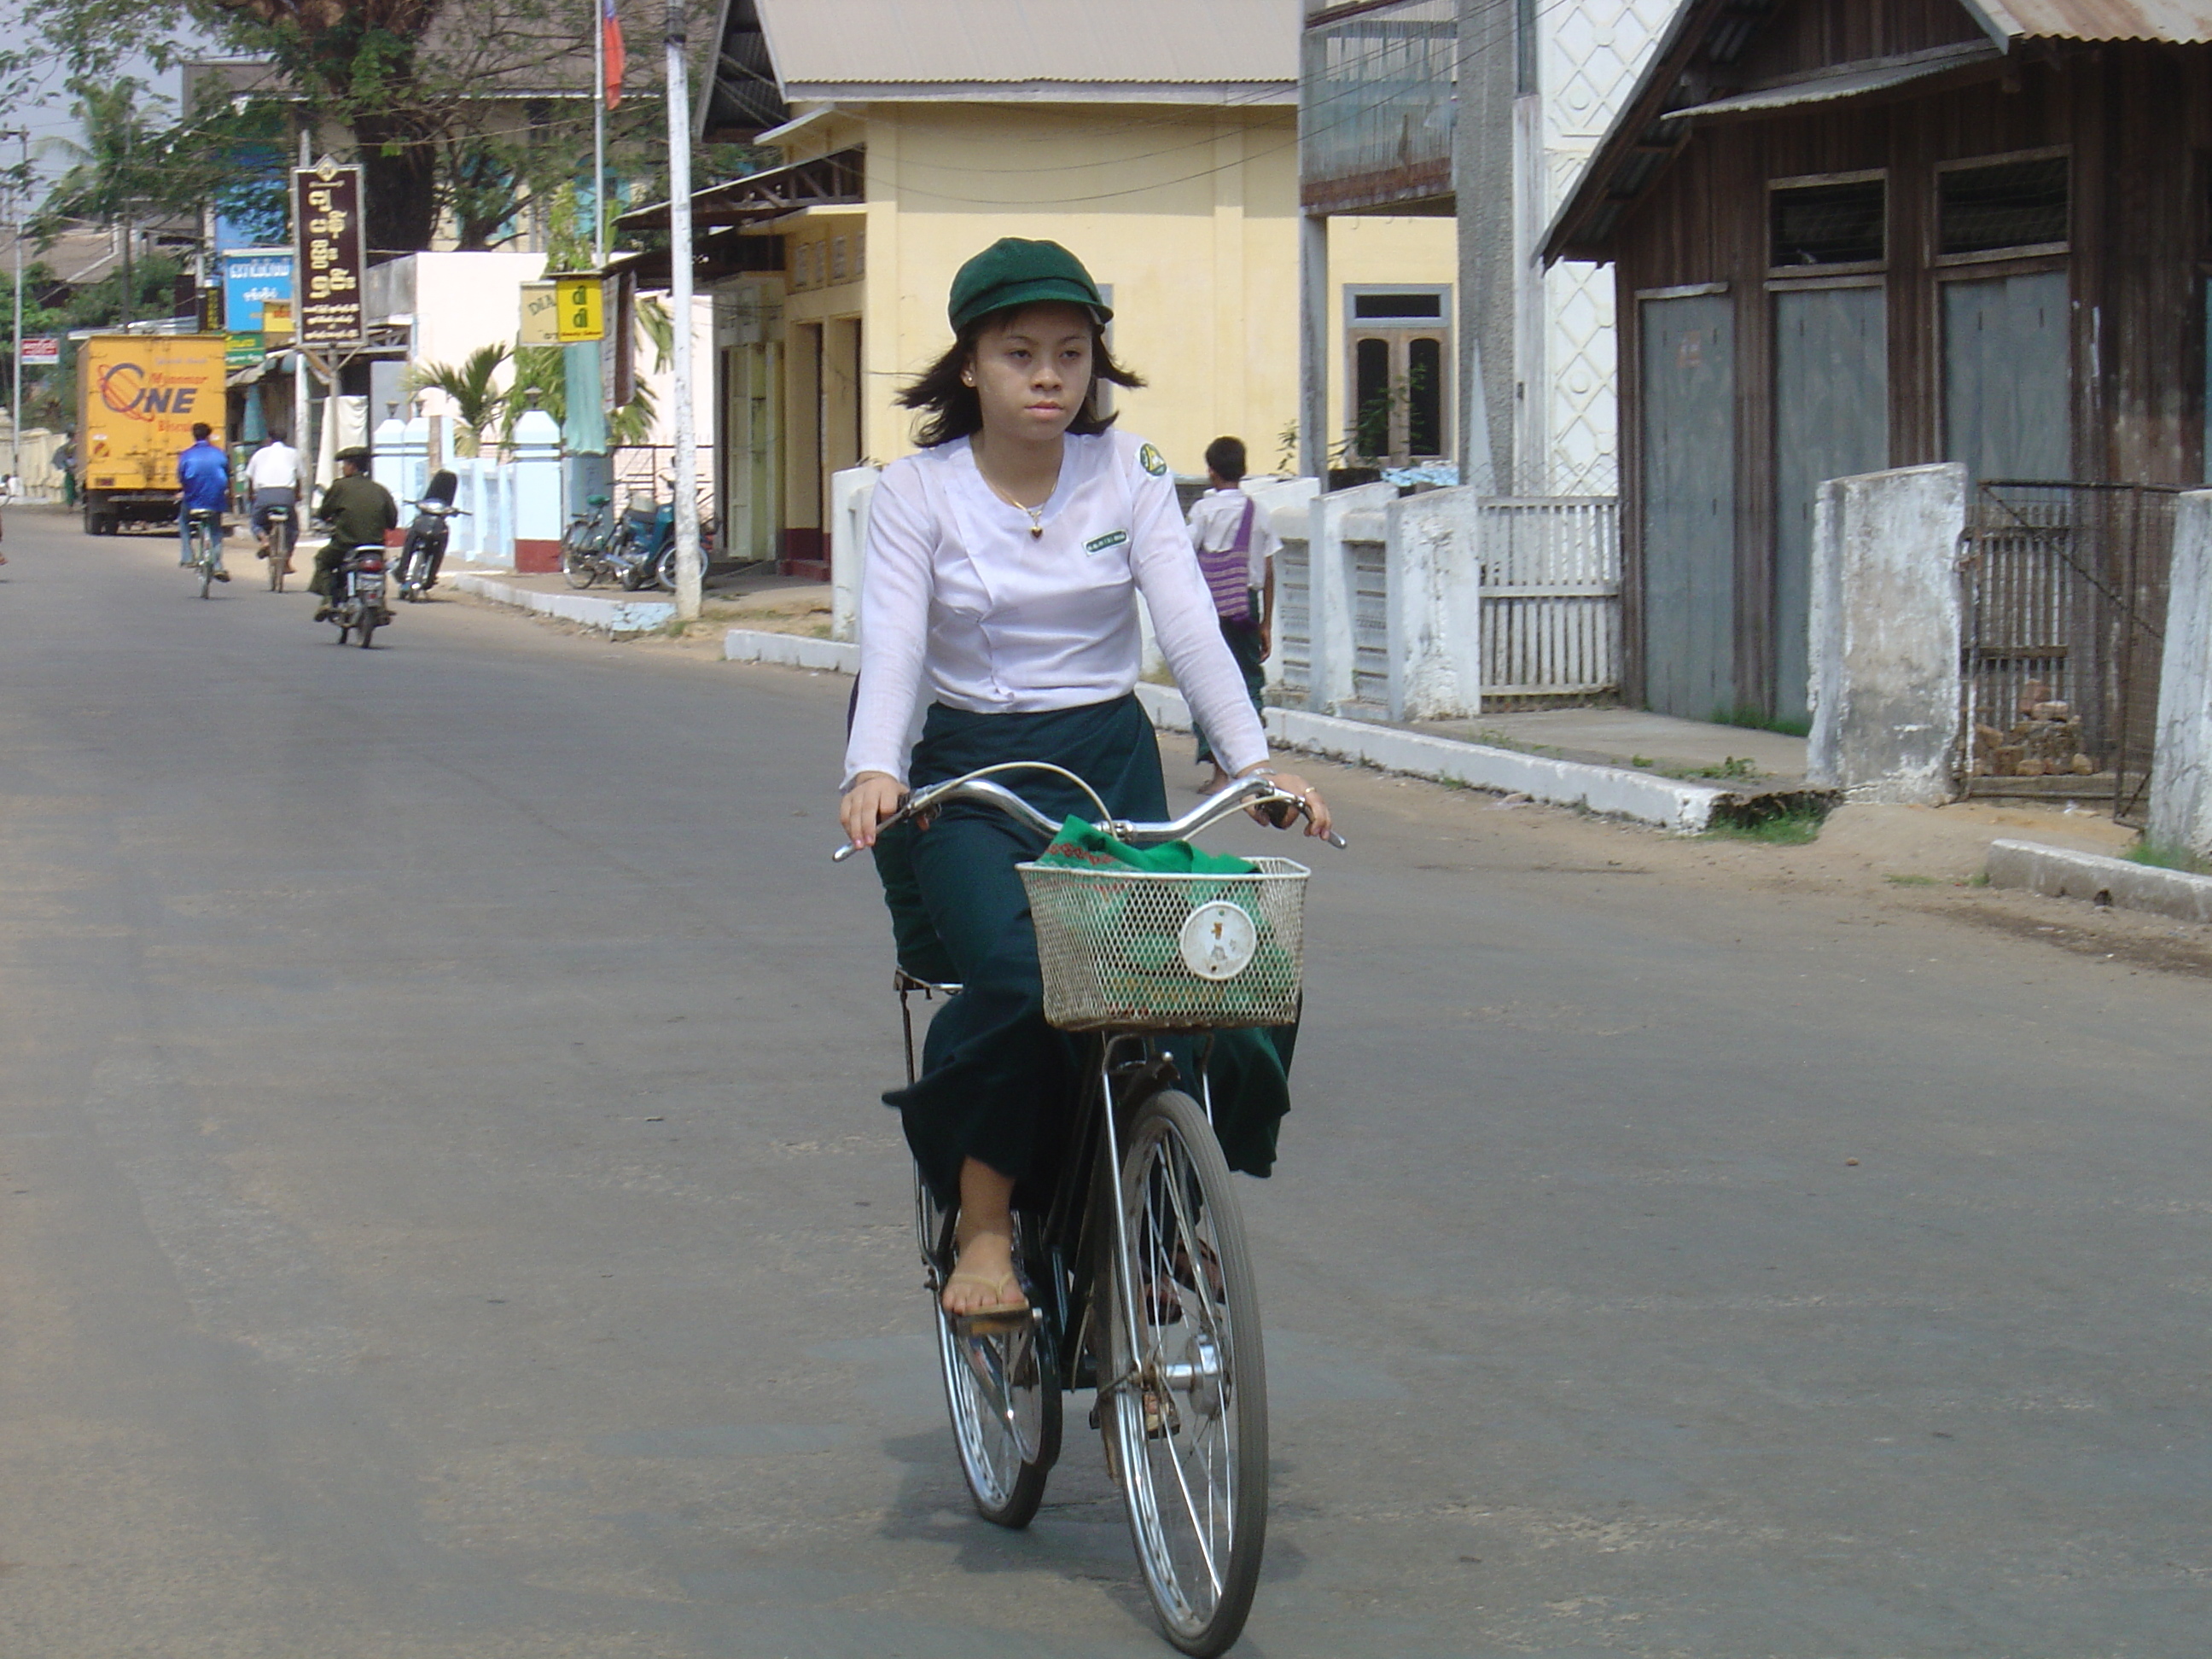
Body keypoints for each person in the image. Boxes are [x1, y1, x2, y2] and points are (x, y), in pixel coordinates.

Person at [838, 239, 1335, 1320]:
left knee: (1193, 977)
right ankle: (982, 1231)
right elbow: (895, 650)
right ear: (972, 363)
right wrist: (874, 767)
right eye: (1021, 353)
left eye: (1072, 353)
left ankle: (1157, 1222)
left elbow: (1193, 629)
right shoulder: (917, 493)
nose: (1051, 376)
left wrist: (1252, 764)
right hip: (973, 779)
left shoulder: (1134, 474)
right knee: (1022, 985)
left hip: (1109, 764)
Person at [1187, 435, 1280, 794]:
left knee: (1207, 681)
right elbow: (1268, 571)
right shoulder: (1259, 512)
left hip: (1208, 609)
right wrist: (1266, 623)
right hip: (1246, 608)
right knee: (1248, 682)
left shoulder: (1203, 511)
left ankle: (1220, 775)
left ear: (1211, 472)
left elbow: (1184, 556)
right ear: (1243, 469)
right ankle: (1252, 767)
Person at [309, 446, 398, 620]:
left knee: (322, 560)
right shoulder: (380, 490)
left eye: (345, 464)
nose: (343, 468)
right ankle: (380, 603)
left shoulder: (340, 486)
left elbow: (324, 513)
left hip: (346, 545)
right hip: (375, 546)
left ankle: (327, 600)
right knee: (380, 569)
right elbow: (392, 522)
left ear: (352, 466)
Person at [176, 422, 230, 579]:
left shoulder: (186, 455)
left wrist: (186, 491)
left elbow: (182, 477)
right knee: (215, 530)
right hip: (215, 499)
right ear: (209, 435)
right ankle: (218, 565)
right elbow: (227, 474)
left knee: (184, 521)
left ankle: (187, 556)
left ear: (194, 435)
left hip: (193, 499)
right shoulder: (219, 453)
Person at [243, 429, 304, 570]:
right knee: (293, 528)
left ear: (269, 439)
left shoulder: (259, 454)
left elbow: (250, 478)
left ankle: (264, 540)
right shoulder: (293, 453)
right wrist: (297, 495)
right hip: (286, 495)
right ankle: (287, 561)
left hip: (264, 495)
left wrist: (252, 495)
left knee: (256, 522)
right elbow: (299, 478)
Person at [54, 432, 76, 509]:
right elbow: (60, 460)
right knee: (70, 488)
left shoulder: (65, 447)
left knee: (70, 488)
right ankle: (70, 505)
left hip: (71, 471)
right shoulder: (67, 448)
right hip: (72, 471)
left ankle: (70, 505)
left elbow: (58, 460)